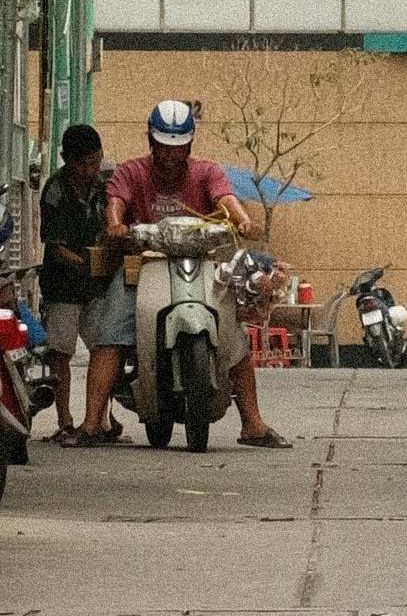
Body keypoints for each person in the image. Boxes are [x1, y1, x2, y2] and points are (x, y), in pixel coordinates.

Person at [89, 95, 284, 446]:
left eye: (178, 147)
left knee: (234, 337)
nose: (170, 154)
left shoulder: (207, 171)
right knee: (111, 333)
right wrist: (116, 224)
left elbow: (225, 198)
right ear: (151, 141)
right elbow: (116, 201)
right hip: (143, 263)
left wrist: (241, 220)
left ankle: (252, 424)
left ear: (190, 143)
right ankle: (90, 424)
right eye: (163, 146)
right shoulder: (131, 171)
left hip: (200, 263)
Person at [36, 125, 105, 429]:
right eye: (83, 164)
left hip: (97, 285)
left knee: (105, 349)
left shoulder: (105, 188)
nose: (90, 170)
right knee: (60, 353)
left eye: (95, 161)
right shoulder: (55, 190)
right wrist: (85, 264)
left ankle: (103, 420)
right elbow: (54, 248)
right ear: (66, 159)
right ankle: (65, 420)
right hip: (62, 285)